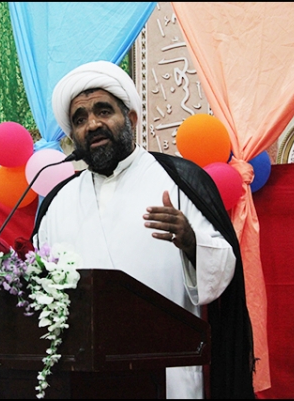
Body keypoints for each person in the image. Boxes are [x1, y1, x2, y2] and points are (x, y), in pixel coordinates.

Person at [32, 60, 255, 399]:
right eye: (80, 119)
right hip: (81, 380)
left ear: (131, 119)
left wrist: (191, 243)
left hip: (167, 375)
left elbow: (224, 270)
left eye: (103, 111)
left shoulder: (179, 180)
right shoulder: (57, 202)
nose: (93, 124)